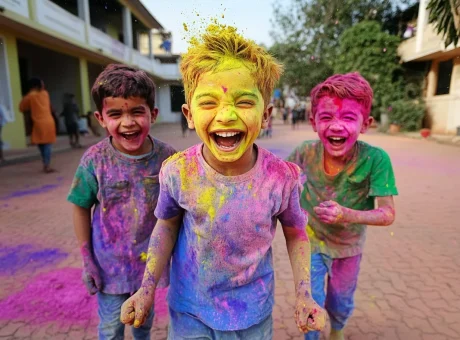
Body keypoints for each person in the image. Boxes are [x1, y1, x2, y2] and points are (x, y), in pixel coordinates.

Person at [120, 24, 327, 339]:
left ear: (266, 114)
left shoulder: (281, 177)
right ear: (189, 115)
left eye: (244, 102)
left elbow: (297, 234)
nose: (227, 115)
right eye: (209, 103)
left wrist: (304, 294)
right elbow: (166, 225)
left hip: (252, 315)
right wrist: (147, 288)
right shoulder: (177, 172)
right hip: (190, 312)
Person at [67, 64, 176, 340]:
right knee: (111, 328)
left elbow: (178, 212)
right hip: (108, 267)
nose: (127, 122)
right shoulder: (94, 160)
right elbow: (80, 206)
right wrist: (86, 258)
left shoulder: (168, 159)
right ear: (101, 118)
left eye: (137, 112)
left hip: (148, 267)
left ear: (152, 113)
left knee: (143, 323)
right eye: (115, 114)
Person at [287, 72, 398, 340]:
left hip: (349, 247)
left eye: (348, 118)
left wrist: (346, 214)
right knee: (310, 301)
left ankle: (337, 332)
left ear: (366, 124)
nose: (336, 126)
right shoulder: (305, 152)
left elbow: (387, 214)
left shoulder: (376, 159)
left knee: (340, 303)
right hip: (311, 244)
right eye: (327, 117)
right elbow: (280, 182)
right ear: (313, 122)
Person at [19, 77, 57, 173]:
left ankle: (46, 163)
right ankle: (46, 164)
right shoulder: (45, 93)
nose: (43, 85)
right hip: (49, 122)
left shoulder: (30, 96)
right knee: (47, 144)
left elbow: (21, 107)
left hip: (38, 124)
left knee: (42, 144)